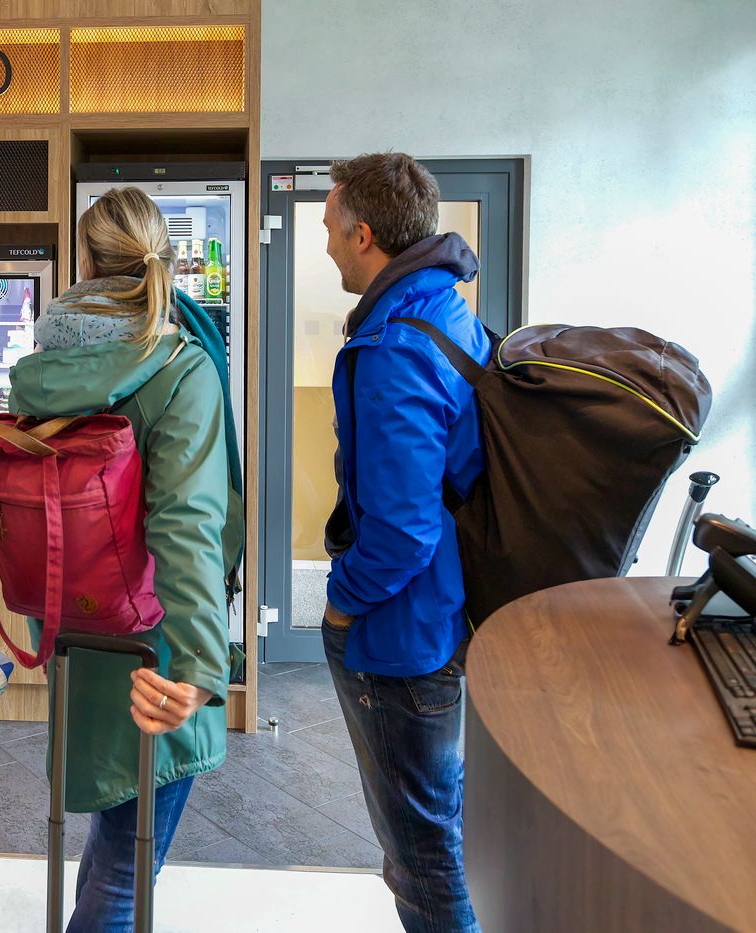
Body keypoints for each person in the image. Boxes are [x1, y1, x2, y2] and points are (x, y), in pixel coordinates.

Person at [8, 186, 241, 933]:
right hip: (157, 635)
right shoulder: (179, 367)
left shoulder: (48, 367)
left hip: (75, 624)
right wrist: (204, 669)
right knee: (128, 864)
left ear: (85, 260)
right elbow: (187, 526)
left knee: (113, 838)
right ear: (163, 258)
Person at [319, 152, 488, 933]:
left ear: (364, 233)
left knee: (419, 856)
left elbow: (402, 528)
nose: (324, 244)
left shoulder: (394, 347)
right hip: (442, 615)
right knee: (435, 833)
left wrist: (343, 603)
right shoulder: (444, 307)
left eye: (329, 226)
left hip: (400, 635)